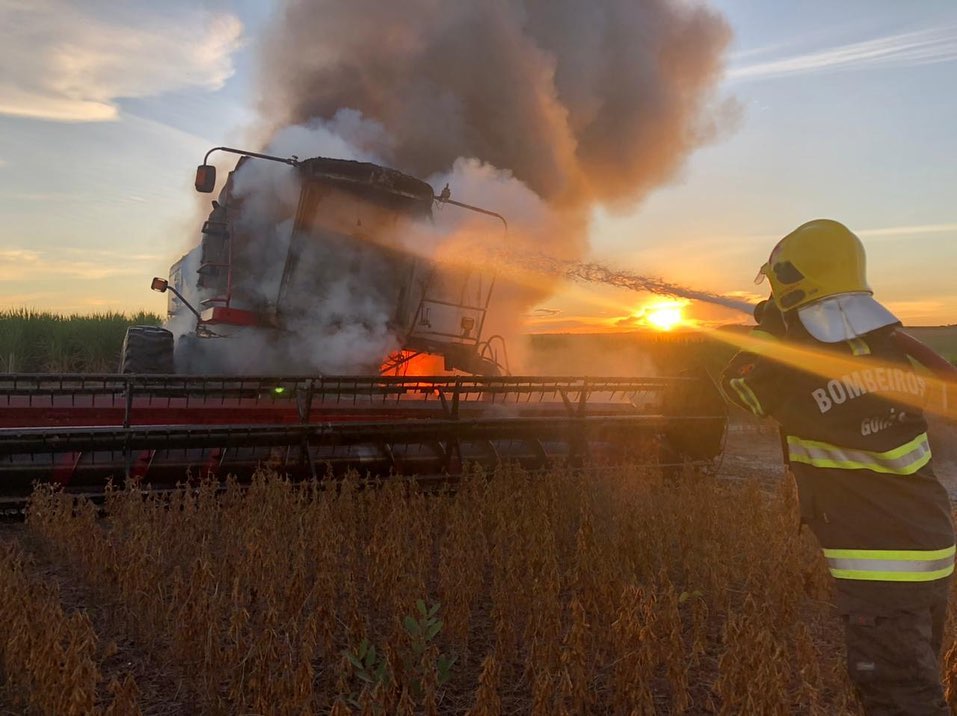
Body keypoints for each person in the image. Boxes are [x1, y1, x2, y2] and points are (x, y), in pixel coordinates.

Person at [721, 219, 954, 715]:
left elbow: (737, 383)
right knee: (917, 675)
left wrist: (776, 330)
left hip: (882, 574)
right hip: (930, 550)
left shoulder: (793, 369)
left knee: (902, 699)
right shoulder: (889, 351)